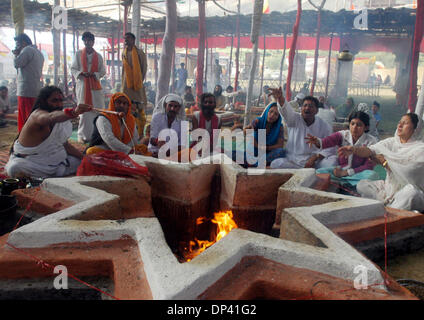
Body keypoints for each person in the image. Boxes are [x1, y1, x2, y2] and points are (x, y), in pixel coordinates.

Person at [339, 113, 424, 211]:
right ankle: (390, 206)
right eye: (400, 122)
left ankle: (388, 211)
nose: (400, 125)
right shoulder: (392, 142)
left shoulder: (420, 149)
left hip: (407, 190)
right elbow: (370, 150)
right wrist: (354, 150)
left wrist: (385, 163)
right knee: (362, 185)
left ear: (415, 129)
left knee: (411, 193)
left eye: (405, 123)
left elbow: (409, 174)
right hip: (389, 187)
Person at [5, 86, 92, 178]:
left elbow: (64, 145)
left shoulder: (60, 118)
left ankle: (52, 173)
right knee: (14, 168)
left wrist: (84, 158)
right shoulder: (37, 115)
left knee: (81, 162)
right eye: (54, 101)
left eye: (60, 100)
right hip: (31, 164)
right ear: (44, 101)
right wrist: (74, 112)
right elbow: (50, 117)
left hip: (54, 162)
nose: (59, 104)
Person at [269, 87, 337, 169]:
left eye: (311, 106)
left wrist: (315, 157)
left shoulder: (324, 126)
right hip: (293, 160)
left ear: (316, 111)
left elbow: (330, 146)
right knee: (276, 163)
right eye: (305, 105)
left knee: (333, 161)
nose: (307, 108)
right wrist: (280, 98)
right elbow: (286, 111)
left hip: (315, 162)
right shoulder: (294, 119)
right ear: (301, 109)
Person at [306, 111, 379, 187]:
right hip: (340, 170)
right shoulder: (343, 135)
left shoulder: (371, 141)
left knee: (371, 175)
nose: (354, 127)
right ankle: (345, 183)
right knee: (319, 172)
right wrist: (317, 141)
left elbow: (369, 165)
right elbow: (327, 141)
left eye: (359, 125)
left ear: (366, 127)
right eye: (352, 123)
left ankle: (341, 182)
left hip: (358, 173)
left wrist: (347, 173)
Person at [85, 92, 151, 156]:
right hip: (106, 148)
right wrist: (129, 151)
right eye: (119, 102)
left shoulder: (131, 119)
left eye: (125, 103)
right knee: (91, 151)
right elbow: (109, 139)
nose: (122, 105)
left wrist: (129, 150)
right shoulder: (103, 118)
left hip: (125, 148)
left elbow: (134, 139)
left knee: (143, 148)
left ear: (128, 107)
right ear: (113, 104)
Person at [71, 31, 106, 144]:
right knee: (84, 111)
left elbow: (103, 71)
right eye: (85, 40)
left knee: (97, 110)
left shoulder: (99, 56)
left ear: (93, 42)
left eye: (89, 40)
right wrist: (81, 73)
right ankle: (83, 135)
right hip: (83, 86)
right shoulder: (78, 54)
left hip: (95, 88)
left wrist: (94, 74)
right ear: (83, 41)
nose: (87, 42)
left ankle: (97, 134)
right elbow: (73, 68)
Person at [234, 102, 286, 167]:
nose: (272, 115)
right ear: (267, 111)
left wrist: (264, 147)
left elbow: (280, 145)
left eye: (276, 114)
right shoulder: (258, 121)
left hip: (267, 154)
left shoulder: (279, 127)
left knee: (281, 152)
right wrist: (248, 131)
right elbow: (247, 131)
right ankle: (258, 163)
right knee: (233, 153)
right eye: (271, 112)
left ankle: (255, 163)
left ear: (278, 117)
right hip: (253, 152)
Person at [12, 33, 44, 132]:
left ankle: (25, 135)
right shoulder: (39, 52)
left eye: (18, 45)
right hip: (35, 88)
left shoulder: (27, 50)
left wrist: (16, 54)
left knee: (25, 116)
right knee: (32, 113)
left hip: (25, 89)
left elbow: (17, 64)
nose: (16, 47)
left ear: (24, 43)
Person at [122, 32, 148, 137]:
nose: (126, 41)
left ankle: (140, 132)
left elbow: (144, 68)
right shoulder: (123, 52)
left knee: (139, 106)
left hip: (137, 85)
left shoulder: (139, 53)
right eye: (125, 39)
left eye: (128, 39)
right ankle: (127, 128)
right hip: (126, 84)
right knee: (126, 104)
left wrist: (139, 80)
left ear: (133, 40)